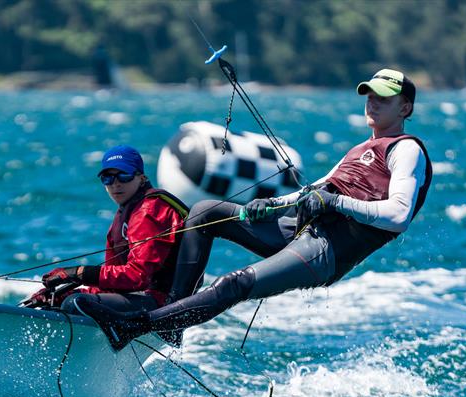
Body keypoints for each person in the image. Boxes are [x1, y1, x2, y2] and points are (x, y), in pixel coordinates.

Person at [78, 68, 433, 350]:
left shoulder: (406, 149)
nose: (372, 102)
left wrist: (336, 202)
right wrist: (267, 205)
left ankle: (135, 326)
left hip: (326, 250)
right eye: (369, 95)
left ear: (405, 108)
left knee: (234, 283)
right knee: (204, 211)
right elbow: (312, 191)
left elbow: (398, 216)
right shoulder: (359, 149)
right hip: (298, 230)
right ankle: (171, 316)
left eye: (384, 98)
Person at [23, 145, 189, 314]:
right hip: (136, 297)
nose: (116, 184)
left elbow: (138, 276)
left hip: (159, 304)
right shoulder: (125, 213)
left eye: (124, 175)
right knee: (59, 301)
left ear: (141, 177)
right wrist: (62, 293)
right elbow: (114, 285)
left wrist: (80, 273)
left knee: (74, 304)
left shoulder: (149, 211)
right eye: (107, 178)